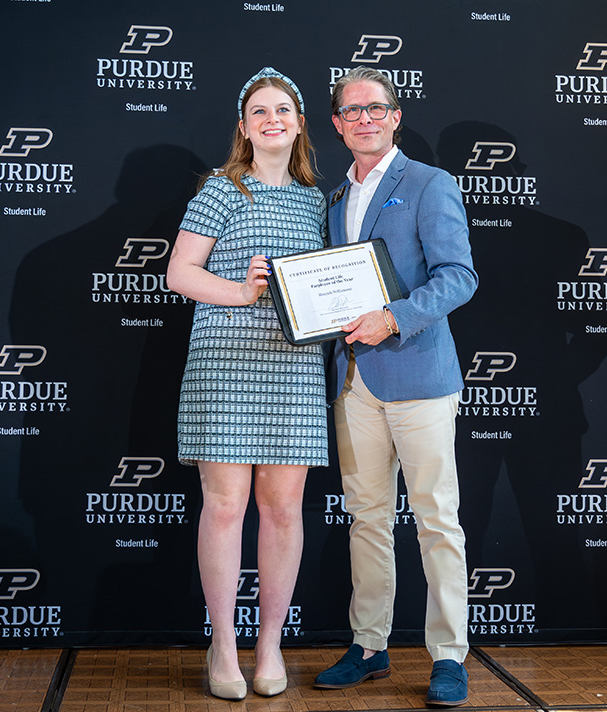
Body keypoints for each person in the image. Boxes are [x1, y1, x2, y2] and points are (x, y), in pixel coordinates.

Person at [313, 67, 477, 707]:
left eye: (375, 109)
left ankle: (448, 655)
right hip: (354, 382)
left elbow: (459, 277)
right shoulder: (332, 200)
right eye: (351, 112)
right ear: (336, 123)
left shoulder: (430, 184)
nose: (364, 119)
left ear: (395, 115)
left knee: (437, 519)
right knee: (367, 520)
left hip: (420, 376)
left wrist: (396, 316)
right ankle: (369, 646)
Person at [166, 67, 327, 701]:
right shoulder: (220, 190)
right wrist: (239, 291)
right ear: (243, 127)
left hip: (292, 369)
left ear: (299, 123)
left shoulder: (319, 198)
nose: (271, 120)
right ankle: (224, 649)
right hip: (224, 364)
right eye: (258, 111)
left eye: (282, 109)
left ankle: (269, 649)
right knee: (227, 507)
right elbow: (179, 272)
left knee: (284, 510)